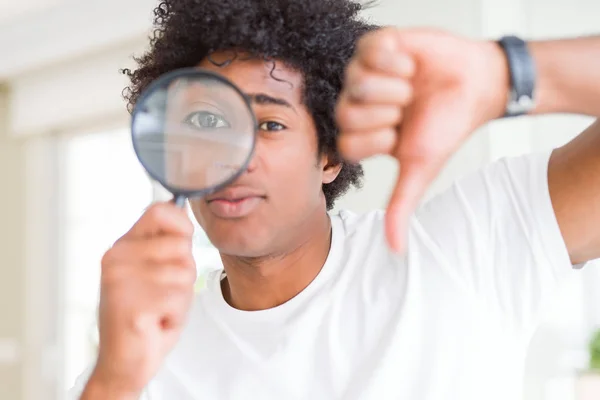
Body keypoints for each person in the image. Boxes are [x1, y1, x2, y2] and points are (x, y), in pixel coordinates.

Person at [70, 0, 600, 399]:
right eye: (208, 122)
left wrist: (506, 74)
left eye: (270, 123)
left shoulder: (463, 250)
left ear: (330, 155)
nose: (236, 154)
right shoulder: (142, 356)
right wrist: (114, 379)